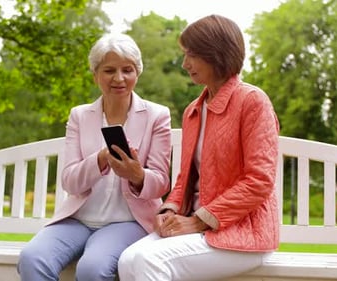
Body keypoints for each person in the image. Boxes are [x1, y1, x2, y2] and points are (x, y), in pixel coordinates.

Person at [118, 14, 280, 281]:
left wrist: (198, 220)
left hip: (243, 234)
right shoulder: (194, 110)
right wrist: (169, 210)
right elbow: (184, 178)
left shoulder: (252, 101)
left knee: (149, 261)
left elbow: (259, 181)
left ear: (216, 53)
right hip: (197, 230)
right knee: (127, 261)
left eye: (191, 55)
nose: (185, 64)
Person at [17, 33, 172, 281]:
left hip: (128, 222)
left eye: (127, 70)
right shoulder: (79, 115)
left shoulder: (157, 115)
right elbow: (69, 181)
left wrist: (137, 175)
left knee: (92, 268)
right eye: (109, 70)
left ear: (137, 73)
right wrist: (99, 160)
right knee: (32, 258)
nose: (119, 78)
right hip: (78, 219)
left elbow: (161, 182)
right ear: (95, 74)